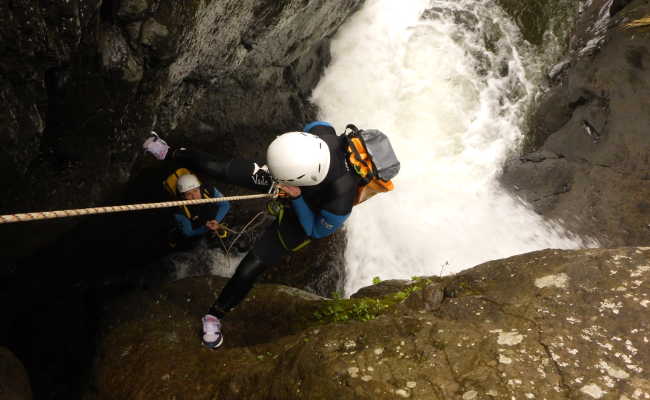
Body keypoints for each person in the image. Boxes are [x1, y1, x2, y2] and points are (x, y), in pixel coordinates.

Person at [144, 121, 363, 348]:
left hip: (303, 219)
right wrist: (281, 173)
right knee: (222, 168)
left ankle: (214, 317)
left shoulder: (340, 200)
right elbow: (316, 125)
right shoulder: (319, 134)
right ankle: (168, 152)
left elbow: (314, 230)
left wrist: (296, 198)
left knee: (251, 267)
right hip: (284, 181)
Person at [168, 173, 231, 251]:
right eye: (189, 194)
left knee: (211, 210)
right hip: (192, 218)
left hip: (203, 211)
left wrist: (216, 221)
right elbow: (189, 232)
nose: (194, 197)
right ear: (183, 196)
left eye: (195, 191)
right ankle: (173, 236)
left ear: (199, 188)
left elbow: (225, 204)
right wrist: (207, 227)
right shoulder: (179, 210)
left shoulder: (208, 189)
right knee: (184, 235)